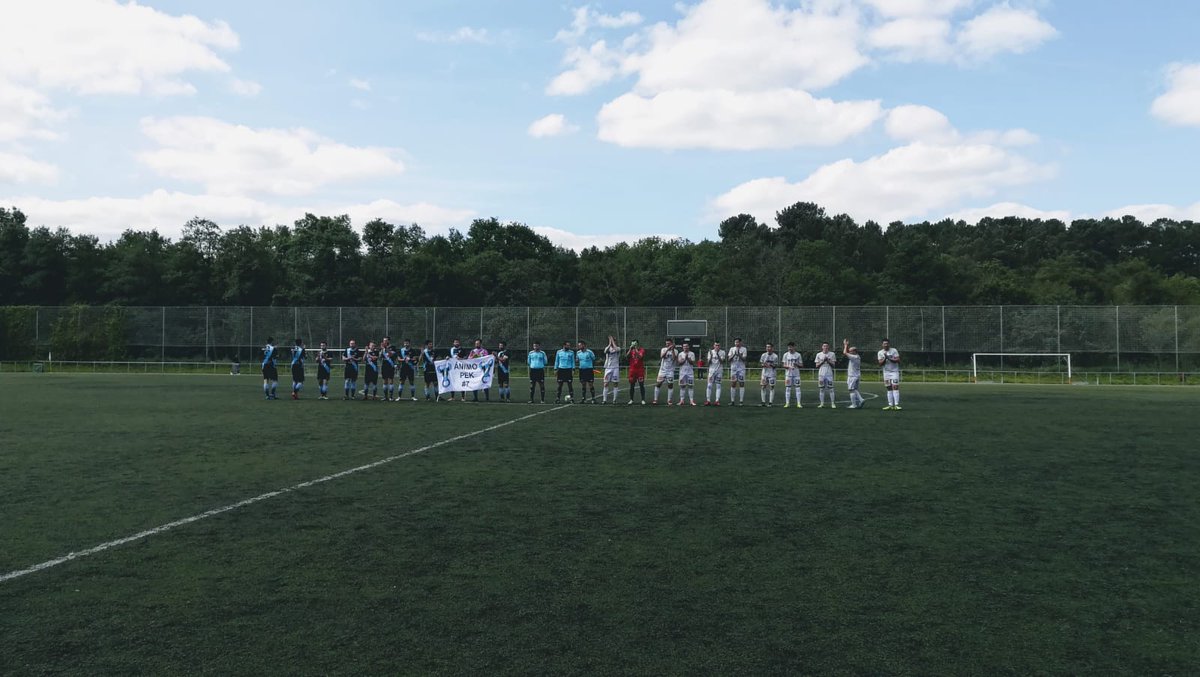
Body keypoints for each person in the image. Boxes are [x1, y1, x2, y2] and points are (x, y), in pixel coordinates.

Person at [878, 338, 902, 410]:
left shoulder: (894, 350)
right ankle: (890, 405)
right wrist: (885, 358)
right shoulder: (880, 352)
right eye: (884, 344)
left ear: (889, 344)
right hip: (886, 373)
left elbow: (898, 360)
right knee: (889, 388)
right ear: (882, 345)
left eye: (887, 343)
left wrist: (889, 358)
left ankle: (896, 405)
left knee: (895, 387)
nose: (886, 345)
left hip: (894, 372)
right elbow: (880, 363)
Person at [653, 339, 677, 405]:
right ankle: (655, 399)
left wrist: (672, 350)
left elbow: (674, 358)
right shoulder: (663, 349)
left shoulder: (675, 351)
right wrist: (667, 350)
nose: (667, 344)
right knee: (658, 384)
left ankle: (669, 400)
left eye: (669, 343)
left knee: (670, 385)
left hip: (670, 371)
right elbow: (662, 356)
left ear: (672, 343)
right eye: (666, 343)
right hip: (662, 370)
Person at [814, 341, 838, 409]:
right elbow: (817, 365)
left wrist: (828, 360)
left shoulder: (832, 354)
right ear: (822, 347)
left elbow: (834, 365)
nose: (825, 347)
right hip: (821, 374)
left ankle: (832, 403)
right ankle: (822, 403)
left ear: (828, 347)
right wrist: (823, 361)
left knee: (831, 389)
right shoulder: (818, 354)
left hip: (829, 374)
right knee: (821, 389)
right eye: (824, 346)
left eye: (826, 346)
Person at [843, 339, 864, 409]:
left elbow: (845, 352)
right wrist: (847, 345)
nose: (849, 352)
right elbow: (847, 352)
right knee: (854, 389)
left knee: (851, 390)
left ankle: (854, 404)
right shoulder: (857, 356)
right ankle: (861, 400)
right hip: (856, 375)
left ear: (854, 351)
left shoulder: (853, 357)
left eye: (851, 351)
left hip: (852, 376)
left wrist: (845, 345)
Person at [727, 337, 748, 406]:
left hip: (741, 369)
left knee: (741, 384)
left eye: (738, 342)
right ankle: (732, 401)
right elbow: (729, 359)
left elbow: (744, 359)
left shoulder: (744, 349)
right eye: (735, 342)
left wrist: (739, 354)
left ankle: (741, 401)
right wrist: (733, 354)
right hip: (733, 369)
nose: (737, 343)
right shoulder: (732, 349)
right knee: (733, 384)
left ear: (740, 342)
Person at [781, 342, 802, 409]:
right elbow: (783, 365)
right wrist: (788, 367)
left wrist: (797, 364)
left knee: (797, 388)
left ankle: (798, 403)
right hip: (788, 374)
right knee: (788, 388)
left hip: (796, 374)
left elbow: (801, 365)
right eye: (789, 347)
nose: (789, 348)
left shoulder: (798, 355)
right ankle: (787, 403)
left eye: (791, 347)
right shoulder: (785, 355)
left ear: (794, 347)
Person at [676, 340, 697, 406]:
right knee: (682, 386)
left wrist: (688, 358)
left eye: (686, 346)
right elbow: (679, 363)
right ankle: (681, 400)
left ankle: (691, 401)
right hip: (682, 373)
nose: (685, 347)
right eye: (684, 346)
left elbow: (692, 363)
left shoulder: (692, 353)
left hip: (690, 373)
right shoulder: (680, 354)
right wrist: (685, 359)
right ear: (682, 347)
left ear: (688, 347)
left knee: (690, 386)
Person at [601, 336, 621, 404]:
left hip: (615, 368)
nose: (613, 342)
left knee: (615, 383)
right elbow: (605, 351)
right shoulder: (607, 348)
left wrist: (612, 341)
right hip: (608, 368)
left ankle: (614, 400)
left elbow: (616, 349)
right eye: (612, 340)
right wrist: (610, 343)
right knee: (606, 383)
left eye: (614, 341)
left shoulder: (618, 348)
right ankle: (604, 400)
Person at [705, 341, 725, 406]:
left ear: (720, 346)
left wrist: (717, 354)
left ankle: (717, 400)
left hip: (719, 371)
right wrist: (711, 356)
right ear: (714, 346)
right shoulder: (710, 352)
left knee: (718, 386)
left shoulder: (722, 352)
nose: (717, 346)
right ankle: (708, 400)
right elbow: (708, 363)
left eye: (718, 345)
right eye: (716, 345)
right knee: (709, 385)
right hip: (711, 371)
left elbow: (722, 362)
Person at [627, 340, 647, 405]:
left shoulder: (642, 350)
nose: (634, 345)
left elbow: (640, 357)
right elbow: (627, 356)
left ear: (637, 344)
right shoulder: (631, 350)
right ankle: (631, 399)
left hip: (640, 370)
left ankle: (643, 399)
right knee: (632, 385)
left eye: (635, 344)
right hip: (632, 370)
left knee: (641, 385)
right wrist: (630, 349)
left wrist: (636, 349)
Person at [759, 342, 779, 407]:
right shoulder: (763, 355)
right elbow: (761, 364)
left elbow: (776, 365)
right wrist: (764, 365)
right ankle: (763, 402)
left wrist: (770, 365)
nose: (768, 348)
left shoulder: (775, 356)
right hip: (764, 374)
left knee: (772, 387)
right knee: (763, 387)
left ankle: (770, 402)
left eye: (769, 347)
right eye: (767, 347)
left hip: (772, 374)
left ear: (772, 348)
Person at [380, 337, 397, 401]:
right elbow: (380, 356)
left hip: (390, 365)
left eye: (386, 340)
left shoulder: (393, 347)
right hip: (384, 365)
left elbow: (391, 354)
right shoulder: (382, 348)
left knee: (391, 380)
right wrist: (382, 350)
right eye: (383, 340)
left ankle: (391, 397)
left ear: (388, 341)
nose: (384, 342)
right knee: (385, 381)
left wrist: (386, 348)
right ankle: (385, 396)